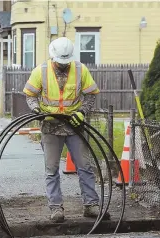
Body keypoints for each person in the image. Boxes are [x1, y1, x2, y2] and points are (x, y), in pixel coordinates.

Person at [23, 37, 110, 223]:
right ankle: (56, 208)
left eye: (66, 62)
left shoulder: (80, 69)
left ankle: (91, 205)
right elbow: (30, 95)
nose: (63, 66)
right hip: (50, 125)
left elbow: (90, 95)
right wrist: (36, 110)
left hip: (75, 125)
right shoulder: (41, 71)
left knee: (85, 166)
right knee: (51, 169)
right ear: (52, 56)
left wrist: (82, 112)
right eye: (60, 62)